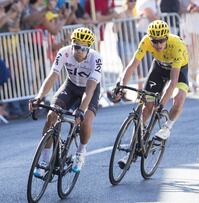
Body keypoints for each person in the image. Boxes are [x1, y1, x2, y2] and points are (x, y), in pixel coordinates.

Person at [29, 27, 102, 176]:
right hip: (71, 86)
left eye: (83, 48)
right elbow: (53, 76)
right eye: (76, 47)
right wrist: (39, 97)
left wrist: (81, 110)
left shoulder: (96, 58)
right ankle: (44, 160)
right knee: (51, 115)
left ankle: (81, 152)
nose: (79, 51)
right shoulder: (64, 52)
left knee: (86, 121)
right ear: (72, 44)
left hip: (89, 90)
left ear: (89, 48)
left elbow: (90, 89)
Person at [113, 20, 189, 145]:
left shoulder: (177, 46)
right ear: (150, 38)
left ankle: (167, 128)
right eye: (155, 41)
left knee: (179, 97)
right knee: (147, 106)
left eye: (161, 41)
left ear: (167, 38)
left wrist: (162, 105)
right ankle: (135, 142)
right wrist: (121, 88)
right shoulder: (146, 41)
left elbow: (173, 82)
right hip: (159, 67)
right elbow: (132, 66)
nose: (158, 44)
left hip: (179, 69)